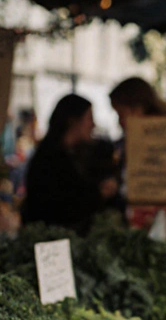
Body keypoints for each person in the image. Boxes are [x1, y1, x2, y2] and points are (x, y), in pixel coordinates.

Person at [21, 94, 114, 234]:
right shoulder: (50, 159)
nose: (93, 125)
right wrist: (98, 194)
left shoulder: (73, 154)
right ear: (72, 121)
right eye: (89, 118)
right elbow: (59, 205)